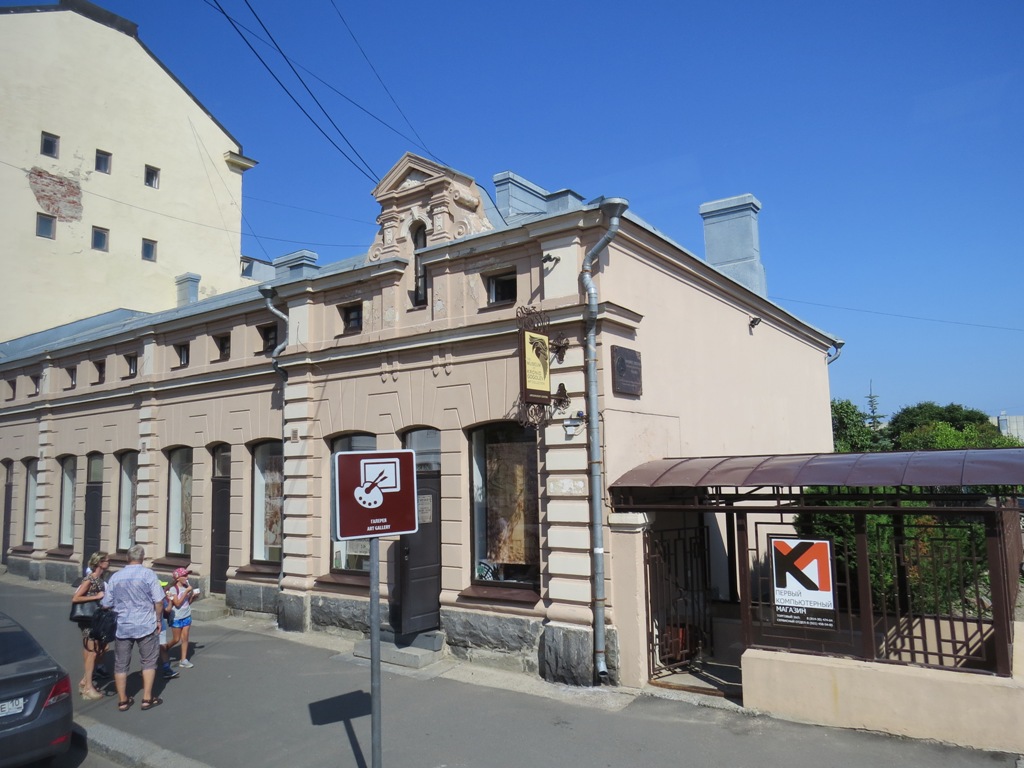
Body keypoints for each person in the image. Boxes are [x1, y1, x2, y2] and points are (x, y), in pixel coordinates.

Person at [100, 544, 166, 711]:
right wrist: (158, 619)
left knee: (121, 663)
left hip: (123, 625)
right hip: (146, 623)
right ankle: (147, 698)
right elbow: (159, 601)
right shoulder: (148, 574)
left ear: (127, 558)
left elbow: (106, 603)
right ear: (142, 558)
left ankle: (122, 700)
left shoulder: (116, 577)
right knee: (149, 661)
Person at [71, 551, 109, 700]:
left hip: (96, 619)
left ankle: (85, 681)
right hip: (88, 620)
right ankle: (88, 688)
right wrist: (96, 596)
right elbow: (75, 598)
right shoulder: (90, 579)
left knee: (101, 649)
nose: (109, 563)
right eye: (107, 560)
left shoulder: (100, 579)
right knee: (92, 652)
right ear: (100, 563)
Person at [165, 567, 198, 668]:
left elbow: (187, 603)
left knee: (185, 638)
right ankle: (163, 649)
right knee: (176, 639)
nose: (187, 577)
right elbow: (177, 603)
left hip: (186, 615)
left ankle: (183, 660)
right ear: (178, 578)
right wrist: (186, 591)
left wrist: (193, 597)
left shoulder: (185, 587)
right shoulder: (173, 589)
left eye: (187, 575)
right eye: (184, 575)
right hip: (176, 617)